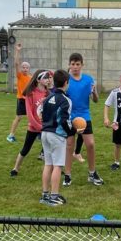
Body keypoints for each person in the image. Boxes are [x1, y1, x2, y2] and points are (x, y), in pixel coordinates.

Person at [62, 52, 104, 187]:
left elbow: (95, 100)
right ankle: (67, 175)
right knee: (69, 145)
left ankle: (92, 173)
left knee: (90, 144)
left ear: (82, 65)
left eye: (77, 64)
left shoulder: (88, 79)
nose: (75, 67)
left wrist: (94, 92)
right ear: (69, 65)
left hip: (84, 116)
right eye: (73, 64)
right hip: (69, 117)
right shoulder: (66, 80)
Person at [40, 69, 79, 206]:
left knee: (48, 164)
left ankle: (45, 194)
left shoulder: (48, 98)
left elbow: (42, 115)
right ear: (66, 82)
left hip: (45, 133)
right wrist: (72, 131)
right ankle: (54, 196)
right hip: (56, 135)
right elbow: (64, 120)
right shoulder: (66, 100)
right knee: (57, 166)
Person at [10, 69, 51, 177]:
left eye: (48, 77)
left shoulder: (48, 93)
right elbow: (29, 114)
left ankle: (54, 169)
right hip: (34, 127)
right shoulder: (31, 93)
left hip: (46, 127)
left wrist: (48, 125)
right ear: (38, 80)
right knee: (25, 149)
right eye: (45, 77)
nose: (48, 79)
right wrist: (39, 127)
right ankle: (15, 168)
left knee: (49, 150)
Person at [6, 43, 32, 143]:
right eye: (23, 67)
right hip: (21, 99)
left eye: (26, 67)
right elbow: (16, 63)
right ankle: (10, 135)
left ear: (29, 69)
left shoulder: (30, 78)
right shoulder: (20, 76)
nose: (25, 69)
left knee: (33, 117)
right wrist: (17, 50)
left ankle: (36, 134)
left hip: (28, 100)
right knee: (19, 117)